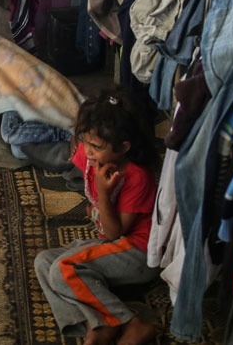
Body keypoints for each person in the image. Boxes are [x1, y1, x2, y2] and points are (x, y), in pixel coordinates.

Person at [34, 87, 161, 345]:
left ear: (123, 147)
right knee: (44, 261)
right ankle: (95, 323)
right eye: (86, 141)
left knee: (63, 269)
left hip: (139, 253)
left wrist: (103, 193)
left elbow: (115, 233)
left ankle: (131, 323)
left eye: (97, 146)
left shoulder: (137, 177)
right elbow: (81, 161)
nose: (89, 152)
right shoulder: (89, 155)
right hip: (112, 245)